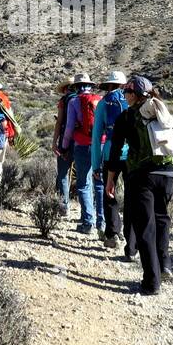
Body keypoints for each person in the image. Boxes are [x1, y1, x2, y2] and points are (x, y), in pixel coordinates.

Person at [106, 75, 173, 295]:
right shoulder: (161, 110)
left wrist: (110, 179)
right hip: (168, 174)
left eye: (127, 92)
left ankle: (151, 282)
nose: (124, 96)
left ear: (134, 94)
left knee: (145, 226)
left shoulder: (126, 117)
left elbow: (116, 151)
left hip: (142, 176)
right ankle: (165, 264)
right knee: (162, 218)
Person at [90, 70, 130, 254]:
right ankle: (131, 237)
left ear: (107, 85)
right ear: (122, 84)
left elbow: (97, 136)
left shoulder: (104, 103)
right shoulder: (131, 100)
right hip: (132, 154)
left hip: (110, 153)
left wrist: (96, 163)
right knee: (132, 195)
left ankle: (113, 233)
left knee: (109, 192)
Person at [61, 73, 102, 235]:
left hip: (82, 146)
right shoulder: (100, 100)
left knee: (84, 184)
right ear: (90, 86)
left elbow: (69, 128)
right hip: (101, 145)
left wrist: (64, 147)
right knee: (100, 184)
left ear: (76, 87)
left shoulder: (73, 101)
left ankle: (87, 223)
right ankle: (102, 222)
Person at [52, 79, 78, 211]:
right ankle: (88, 215)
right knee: (85, 178)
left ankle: (64, 207)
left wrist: (54, 142)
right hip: (83, 141)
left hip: (66, 141)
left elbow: (59, 122)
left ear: (65, 88)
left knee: (62, 173)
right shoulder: (83, 99)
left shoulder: (64, 100)